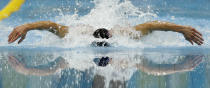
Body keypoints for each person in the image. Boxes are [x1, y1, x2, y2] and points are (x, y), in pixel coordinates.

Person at [8, 21, 204, 45]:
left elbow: (151, 26)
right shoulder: (79, 35)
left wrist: (182, 29)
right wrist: (27, 26)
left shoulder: (123, 34)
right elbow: (52, 26)